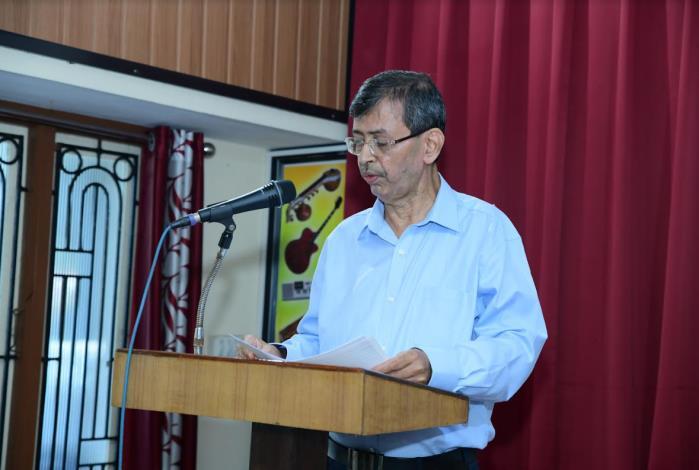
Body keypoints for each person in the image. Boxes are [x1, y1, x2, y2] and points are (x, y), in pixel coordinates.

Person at [243, 70, 547, 469]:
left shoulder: (484, 231)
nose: (365, 157)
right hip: (338, 459)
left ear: (430, 145)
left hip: (435, 463)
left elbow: (517, 344)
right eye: (358, 142)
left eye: (381, 142)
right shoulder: (344, 240)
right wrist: (281, 355)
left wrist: (436, 365)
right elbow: (318, 341)